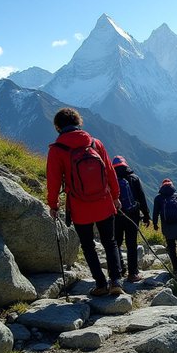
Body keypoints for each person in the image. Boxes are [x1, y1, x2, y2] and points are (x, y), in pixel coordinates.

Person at [46, 107, 124, 296]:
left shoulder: (57, 150)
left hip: (80, 207)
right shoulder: (95, 143)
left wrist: (53, 205)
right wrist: (115, 196)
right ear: (78, 122)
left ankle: (100, 284)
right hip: (104, 202)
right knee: (110, 242)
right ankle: (116, 281)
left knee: (88, 246)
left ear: (58, 127)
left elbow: (53, 180)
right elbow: (110, 173)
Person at [112, 155, 151, 282]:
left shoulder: (110, 178)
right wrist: (146, 215)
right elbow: (141, 197)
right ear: (125, 164)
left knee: (115, 244)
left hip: (115, 216)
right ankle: (133, 273)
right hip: (132, 216)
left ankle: (119, 270)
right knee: (131, 245)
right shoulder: (134, 178)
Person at [152, 178, 177, 275]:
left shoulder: (158, 198)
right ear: (172, 186)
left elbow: (155, 212)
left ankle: (176, 269)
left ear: (161, 187)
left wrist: (155, 224)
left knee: (171, 247)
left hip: (167, 226)